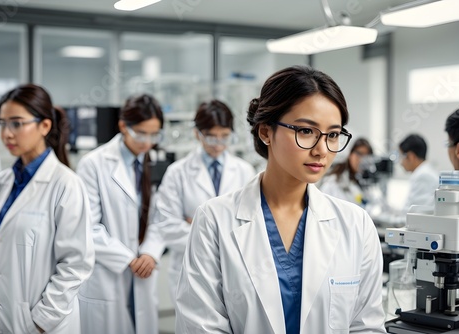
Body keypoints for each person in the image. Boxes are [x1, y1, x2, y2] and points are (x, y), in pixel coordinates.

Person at [175, 66, 386, 333]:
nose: (322, 150)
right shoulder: (214, 220)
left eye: (333, 135)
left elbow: (366, 326)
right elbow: (200, 325)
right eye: (306, 131)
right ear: (265, 131)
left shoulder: (356, 224)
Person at [0, 84, 95, 333]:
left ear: (44, 126)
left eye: (17, 123)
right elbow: (4, 250)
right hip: (2, 318)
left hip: (41, 324)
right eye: (2, 124)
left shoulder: (66, 184)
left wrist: (40, 322)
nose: (7, 134)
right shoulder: (4, 181)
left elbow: (76, 264)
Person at [77, 94, 165, 334]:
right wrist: (128, 259)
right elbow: (88, 226)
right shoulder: (93, 164)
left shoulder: (152, 160)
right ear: (123, 126)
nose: (147, 142)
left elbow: (159, 216)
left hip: (143, 268)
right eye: (141, 133)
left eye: (154, 134)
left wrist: (150, 252)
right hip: (107, 272)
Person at [153, 99, 255, 302]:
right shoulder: (178, 172)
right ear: (197, 133)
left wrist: (198, 224)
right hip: (192, 269)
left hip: (235, 269)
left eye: (225, 137)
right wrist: (223, 232)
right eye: (211, 137)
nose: (218, 145)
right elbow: (167, 226)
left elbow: (252, 224)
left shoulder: (245, 171)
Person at [320, 137, 373, 206]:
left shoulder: (362, 181)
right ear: (350, 154)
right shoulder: (334, 182)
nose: (362, 160)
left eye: (366, 156)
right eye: (359, 154)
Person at [398, 134, 438, 211]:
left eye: (401, 157)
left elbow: (413, 214)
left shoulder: (423, 176)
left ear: (411, 156)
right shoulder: (425, 172)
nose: (401, 163)